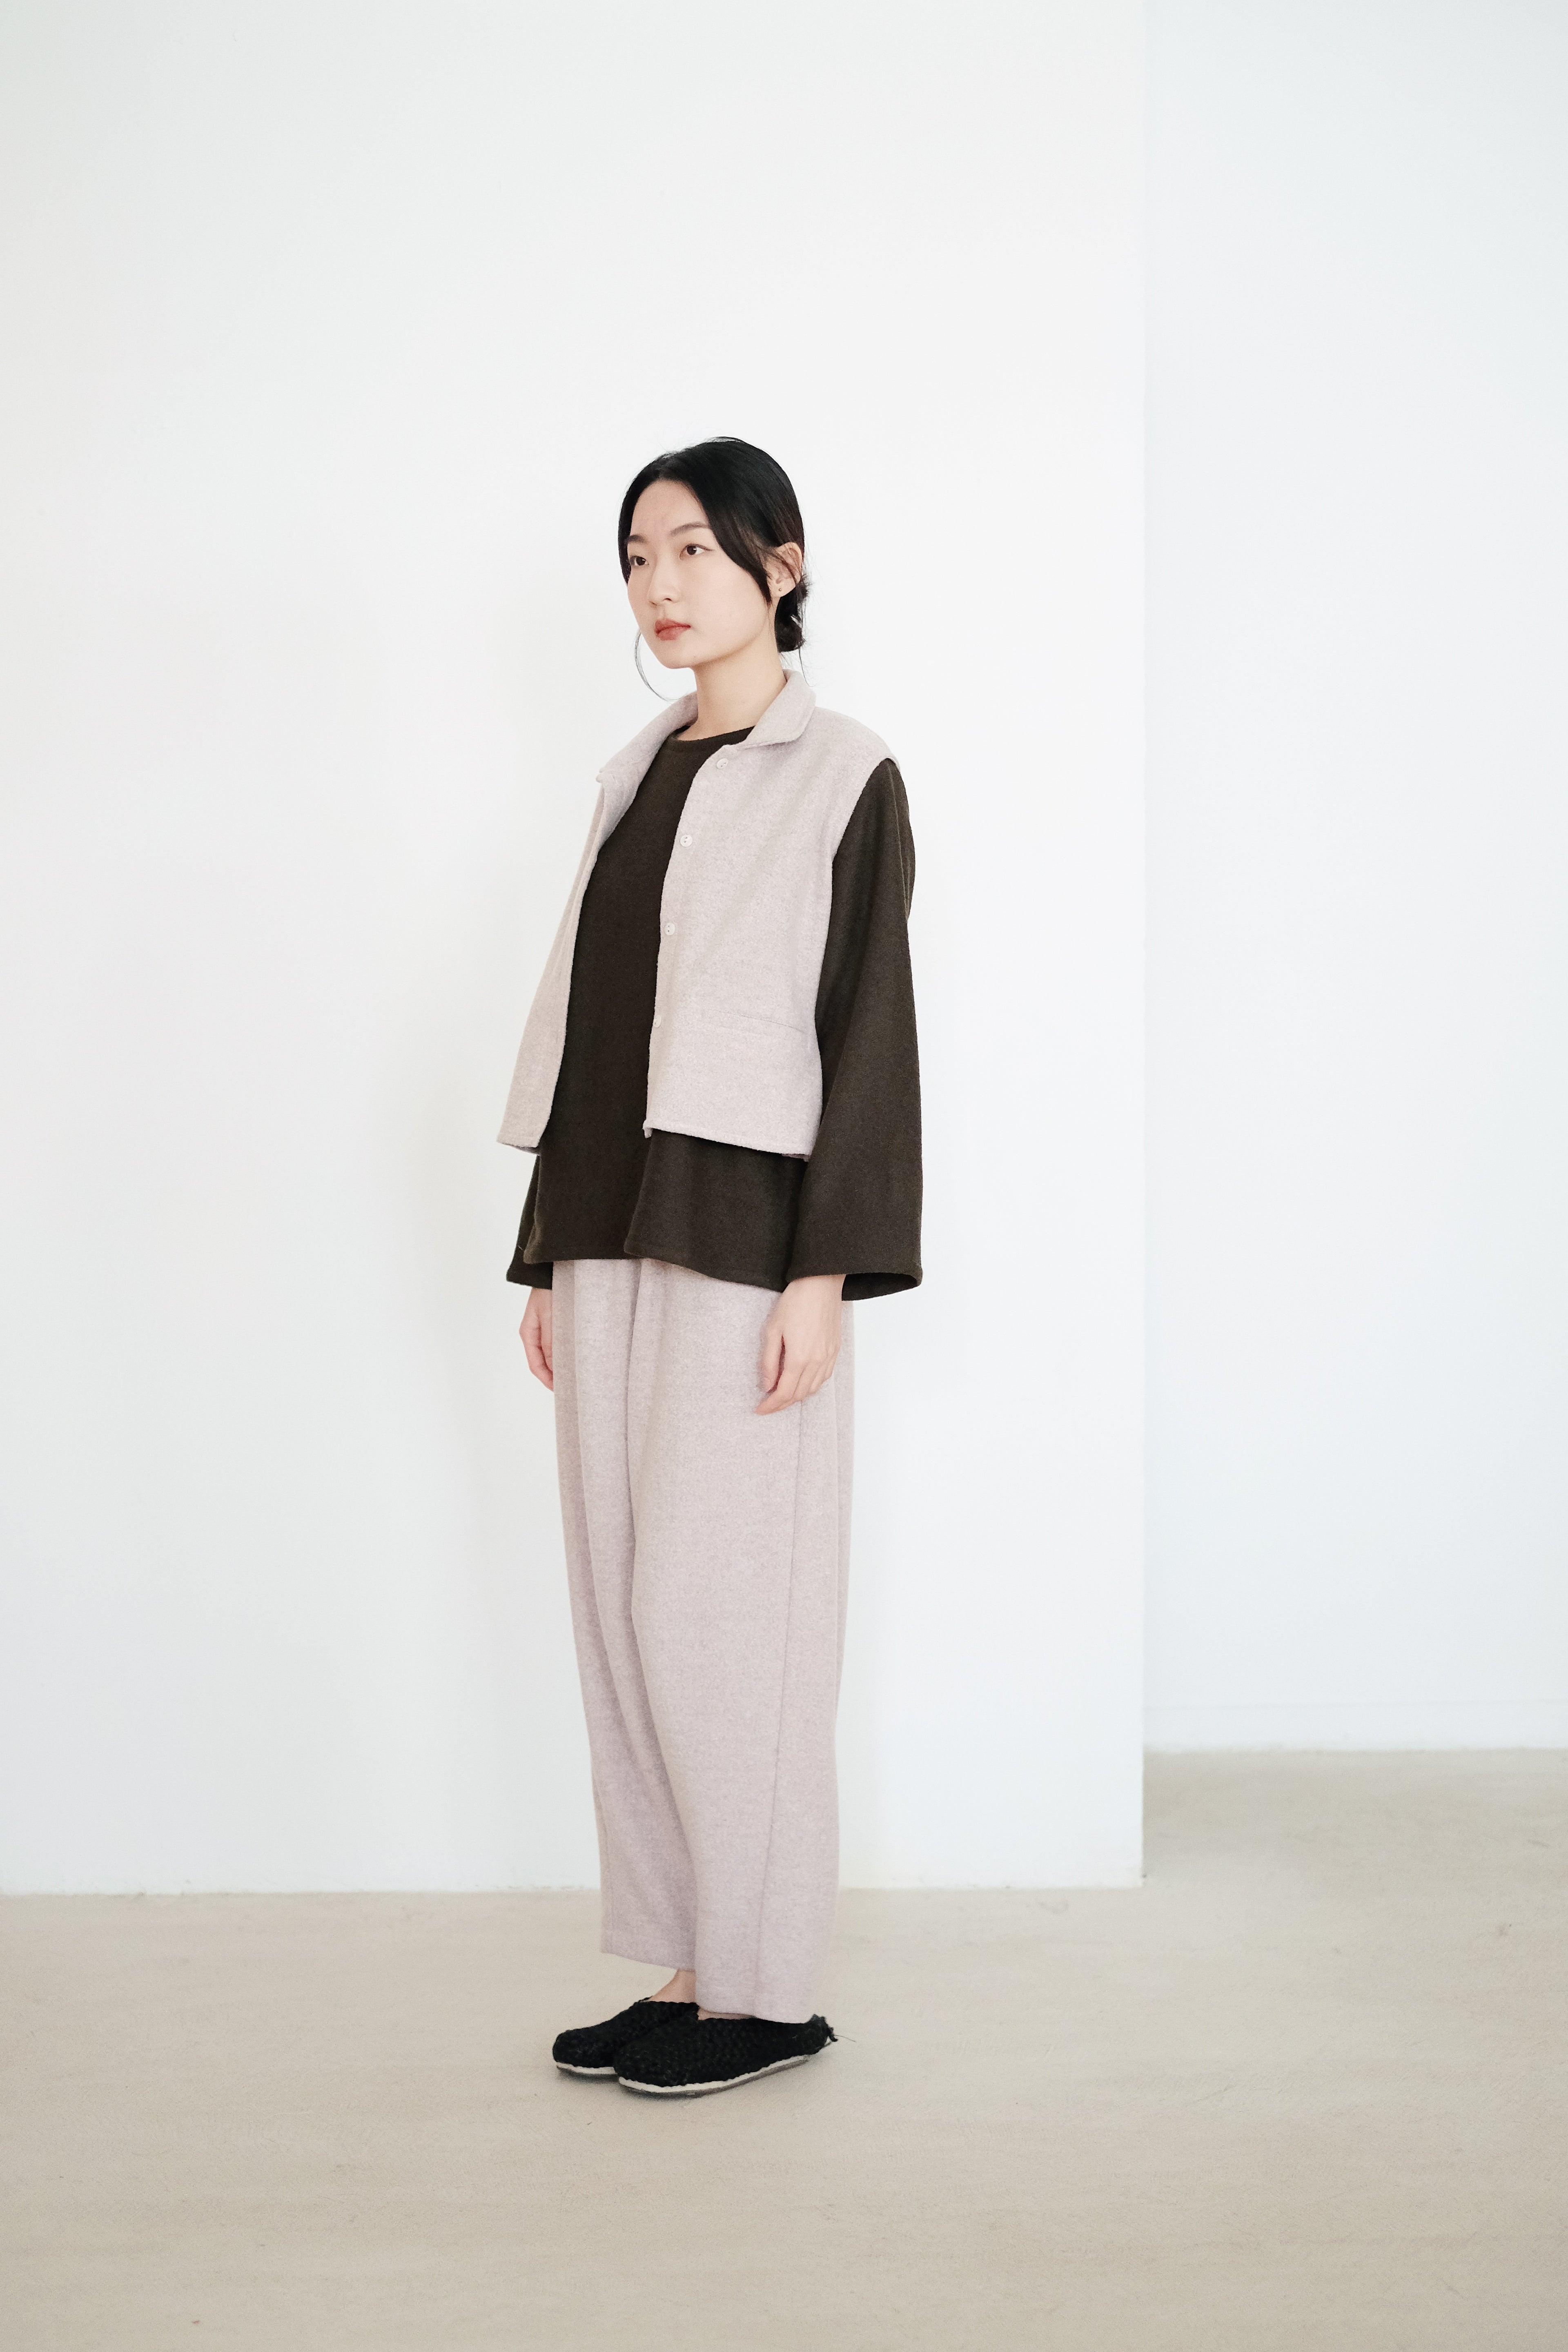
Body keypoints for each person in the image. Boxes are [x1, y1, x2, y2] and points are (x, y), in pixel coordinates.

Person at [500, 437, 922, 2097]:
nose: (659, 586)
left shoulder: (844, 775)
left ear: (780, 564)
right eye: (636, 557)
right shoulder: (633, 776)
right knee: (624, 1606)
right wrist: (547, 1254)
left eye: (690, 549)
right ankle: (690, 1974)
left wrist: (828, 1273)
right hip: (607, 1229)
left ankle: (767, 1991)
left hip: (749, 1243)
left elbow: (868, 1035)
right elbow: (596, 1027)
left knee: (727, 1613)